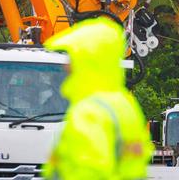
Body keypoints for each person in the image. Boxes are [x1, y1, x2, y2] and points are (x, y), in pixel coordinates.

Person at [43, 18, 153, 180]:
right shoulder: (125, 105)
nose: (66, 65)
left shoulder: (90, 113)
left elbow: (89, 172)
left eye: (73, 56)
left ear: (88, 59)